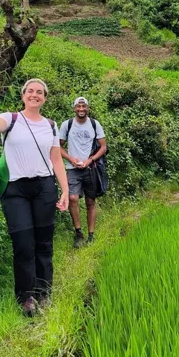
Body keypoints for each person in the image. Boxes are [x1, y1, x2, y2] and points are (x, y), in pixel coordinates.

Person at [0, 78, 69, 316]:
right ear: (23, 95)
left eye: (40, 92)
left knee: (44, 244)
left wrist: (65, 190)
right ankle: (26, 297)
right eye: (30, 91)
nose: (35, 95)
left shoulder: (51, 126)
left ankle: (44, 292)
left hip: (44, 187)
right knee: (23, 244)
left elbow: (56, 160)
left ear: (44, 97)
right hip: (16, 190)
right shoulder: (10, 118)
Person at [59, 97, 107, 248]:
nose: (81, 109)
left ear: (87, 108)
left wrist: (90, 160)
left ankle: (91, 234)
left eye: (84, 106)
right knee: (73, 198)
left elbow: (103, 147)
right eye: (78, 106)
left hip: (90, 168)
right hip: (72, 169)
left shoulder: (94, 124)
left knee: (90, 201)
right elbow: (58, 147)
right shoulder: (67, 124)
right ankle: (79, 233)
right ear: (74, 108)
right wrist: (71, 159)